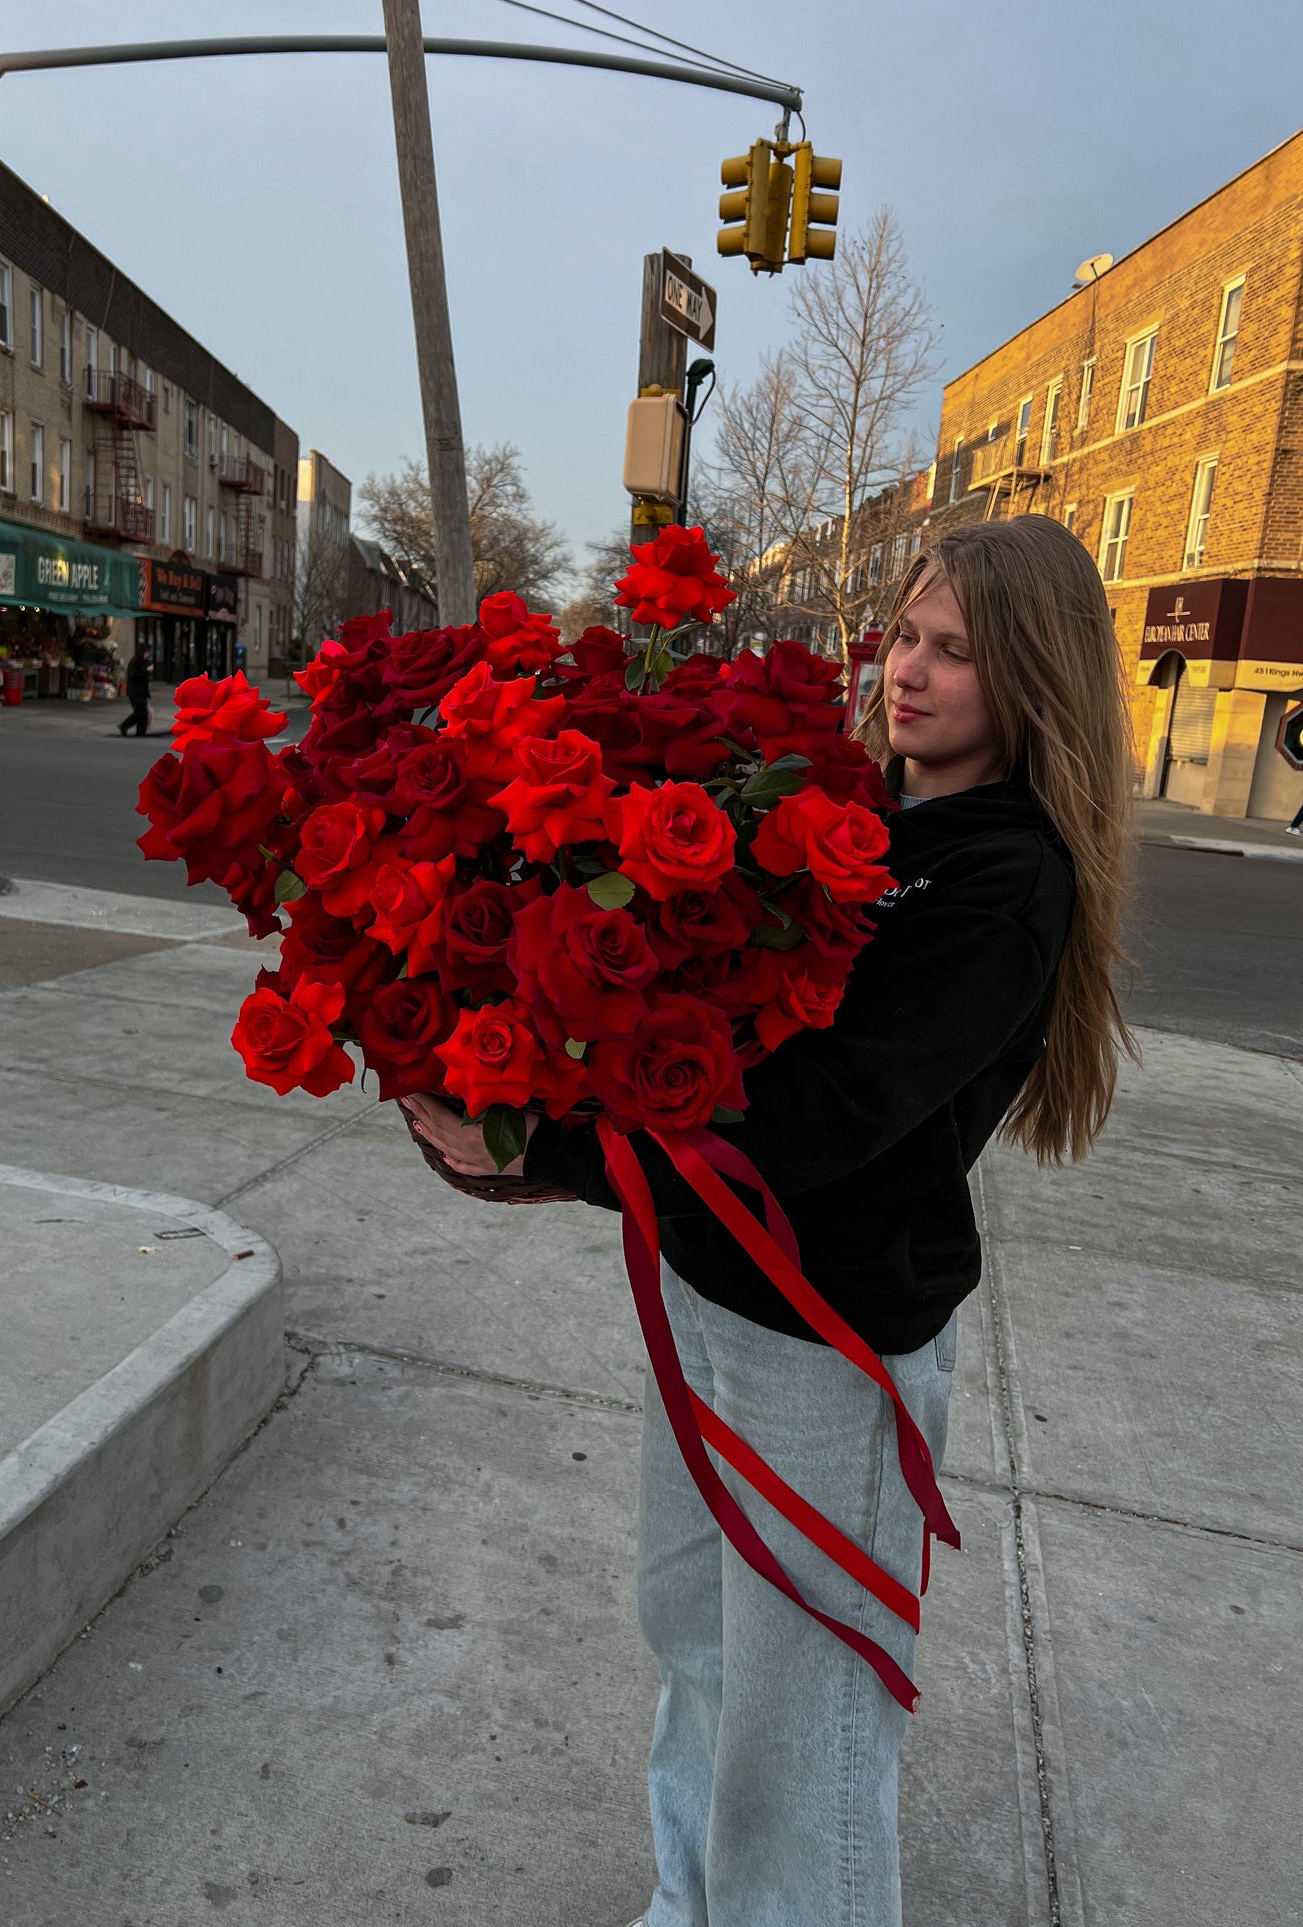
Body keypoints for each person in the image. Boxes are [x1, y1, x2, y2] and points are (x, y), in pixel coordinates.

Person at [402, 514, 1136, 1927]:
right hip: (711, 1294)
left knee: (804, 1721)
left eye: (954, 653)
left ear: (1033, 675)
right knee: (696, 1643)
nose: (907, 674)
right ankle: (692, 1904)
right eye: (904, 639)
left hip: (828, 1337)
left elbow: (823, 1116)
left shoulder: (1004, 873)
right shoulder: (872, 810)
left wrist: (555, 1149)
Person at [118, 643, 151, 737]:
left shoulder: (145, 662)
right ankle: (124, 725)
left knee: (143, 714)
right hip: (135, 692)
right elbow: (134, 675)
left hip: (143, 692)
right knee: (140, 712)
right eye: (146, 653)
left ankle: (141, 732)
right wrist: (146, 671)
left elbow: (145, 679)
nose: (147, 655)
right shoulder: (134, 661)